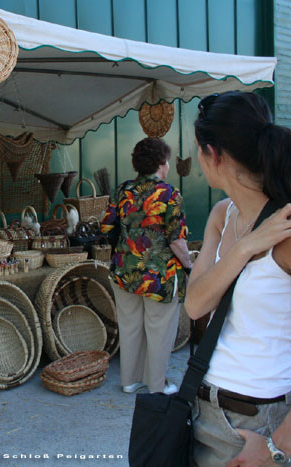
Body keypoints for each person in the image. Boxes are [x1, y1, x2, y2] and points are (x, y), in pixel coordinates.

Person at [186, 91, 291, 466]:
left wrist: (279, 446)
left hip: (261, 423)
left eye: (198, 150)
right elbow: (196, 305)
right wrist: (246, 247)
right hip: (204, 408)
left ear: (214, 154)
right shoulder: (222, 214)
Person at [100, 137, 192, 395]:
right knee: (159, 329)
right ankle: (156, 385)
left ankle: (129, 381)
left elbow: (106, 227)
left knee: (130, 326)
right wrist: (189, 266)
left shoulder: (122, 190)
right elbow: (177, 240)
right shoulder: (169, 194)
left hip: (124, 271)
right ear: (162, 163)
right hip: (159, 275)